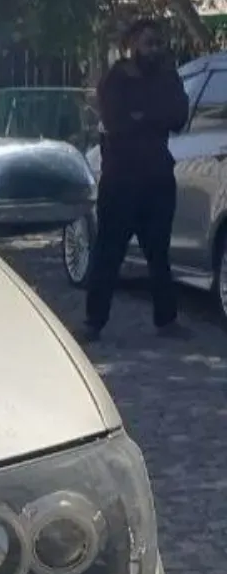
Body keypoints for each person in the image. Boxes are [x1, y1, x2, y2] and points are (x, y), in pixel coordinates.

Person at [81, 18, 193, 343]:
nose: (154, 50)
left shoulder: (168, 76)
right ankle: (93, 322)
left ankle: (166, 320)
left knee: (158, 252)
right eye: (148, 43)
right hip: (120, 180)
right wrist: (150, 116)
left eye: (158, 43)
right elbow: (117, 121)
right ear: (132, 46)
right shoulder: (115, 79)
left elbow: (178, 117)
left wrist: (144, 115)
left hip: (158, 178)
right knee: (108, 252)